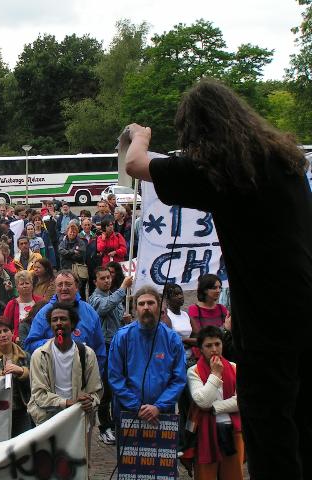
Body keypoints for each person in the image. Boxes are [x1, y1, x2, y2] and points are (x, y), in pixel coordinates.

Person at [124, 80, 312, 479]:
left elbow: (135, 165)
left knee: (270, 429)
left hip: (267, 322)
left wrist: (141, 136)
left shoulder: (221, 171)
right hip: (306, 308)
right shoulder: (285, 161)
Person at [108, 287, 187, 433]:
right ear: (135, 309)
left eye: (150, 303)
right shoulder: (122, 337)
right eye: (141, 304)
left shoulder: (172, 339)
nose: (146, 307)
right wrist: (137, 407)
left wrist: (159, 406)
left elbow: (179, 378)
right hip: (129, 413)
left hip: (162, 415)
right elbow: (115, 377)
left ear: (159, 306)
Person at [27, 303, 103, 429]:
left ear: (73, 324)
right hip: (48, 421)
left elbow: (95, 391)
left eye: (63, 319)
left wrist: (89, 401)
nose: (58, 323)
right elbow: (39, 395)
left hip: (78, 421)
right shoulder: (39, 355)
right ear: (50, 325)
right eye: (54, 320)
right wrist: (67, 403)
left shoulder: (87, 354)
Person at [186, 326, 243, 479]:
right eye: (208, 345)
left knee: (233, 475)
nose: (214, 349)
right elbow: (202, 401)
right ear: (200, 349)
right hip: (205, 432)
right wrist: (216, 374)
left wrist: (215, 408)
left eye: (217, 344)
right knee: (206, 476)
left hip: (232, 431)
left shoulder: (234, 367)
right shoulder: (194, 371)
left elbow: (241, 400)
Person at [24, 270, 107, 375]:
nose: (64, 288)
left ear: (76, 287)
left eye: (68, 284)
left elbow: (99, 349)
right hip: (53, 375)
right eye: (60, 284)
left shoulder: (90, 312)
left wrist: (95, 376)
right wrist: (52, 344)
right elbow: (30, 345)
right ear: (55, 287)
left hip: (84, 376)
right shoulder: (44, 314)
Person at [88, 266, 133, 445]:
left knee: (119, 388)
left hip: (119, 345)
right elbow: (104, 309)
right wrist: (123, 288)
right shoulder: (95, 298)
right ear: (95, 281)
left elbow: (117, 313)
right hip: (105, 347)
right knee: (106, 388)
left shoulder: (114, 295)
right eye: (103, 278)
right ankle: (105, 427)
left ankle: (117, 424)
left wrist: (125, 320)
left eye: (108, 277)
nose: (107, 280)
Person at [3, 270, 42, 342]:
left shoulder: (40, 301)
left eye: (27, 283)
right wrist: (15, 338)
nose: (24, 286)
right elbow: (4, 327)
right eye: (21, 284)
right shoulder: (11, 304)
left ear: (32, 285)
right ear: (17, 288)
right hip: (19, 343)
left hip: (39, 340)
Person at [160, 284, 194, 363]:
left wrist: (183, 340)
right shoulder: (166, 315)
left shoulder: (186, 315)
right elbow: (169, 341)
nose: (180, 296)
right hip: (175, 360)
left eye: (180, 293)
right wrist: (188, 342)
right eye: (175, 295)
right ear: (167, 299)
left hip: (189, 358)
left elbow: (198, 339)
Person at [58, 223, 87, 298]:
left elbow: (81, 255)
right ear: (67, 232)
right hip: (65, 269)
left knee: (80, 290)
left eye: (74, 232)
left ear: (77, 233)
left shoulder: (81, 242)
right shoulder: (63, 242)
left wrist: (68, 254)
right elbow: (61, 252)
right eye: (70, 231)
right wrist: (73, 251)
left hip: (78, 272)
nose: (72, 233)